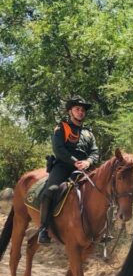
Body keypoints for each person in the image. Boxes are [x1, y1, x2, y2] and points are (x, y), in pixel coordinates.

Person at [38, 96, 100, 244]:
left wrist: (88, 161)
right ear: (70, 111)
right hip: (63, 166)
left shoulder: (88, 133)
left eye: (83, 110)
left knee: (102, 191)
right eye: (77, 109)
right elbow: (58, 149)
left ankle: (99, 231)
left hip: (84, 168)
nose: (81, 112)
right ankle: (43, 229)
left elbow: (95, 152)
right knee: (51, 190)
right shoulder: (61, 128)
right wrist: (75, 161)